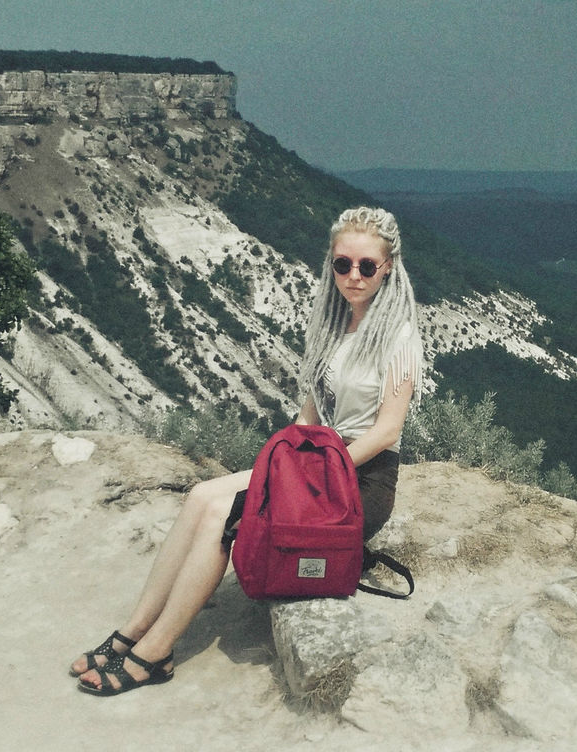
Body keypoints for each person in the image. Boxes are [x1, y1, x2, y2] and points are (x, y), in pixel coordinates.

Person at [71, 206, 424, 696]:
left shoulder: (399, 337)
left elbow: (387, 432)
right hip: (317, 463)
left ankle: (156, 653)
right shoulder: (333, 326)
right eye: (343, 264)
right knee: (201, 496)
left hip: (359, 480)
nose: (354, 277)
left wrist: (313, 472)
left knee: (225, 515)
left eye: (367, 266)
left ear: (388, 267)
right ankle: (134, 630)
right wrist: (277, 464)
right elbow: (309, 417)